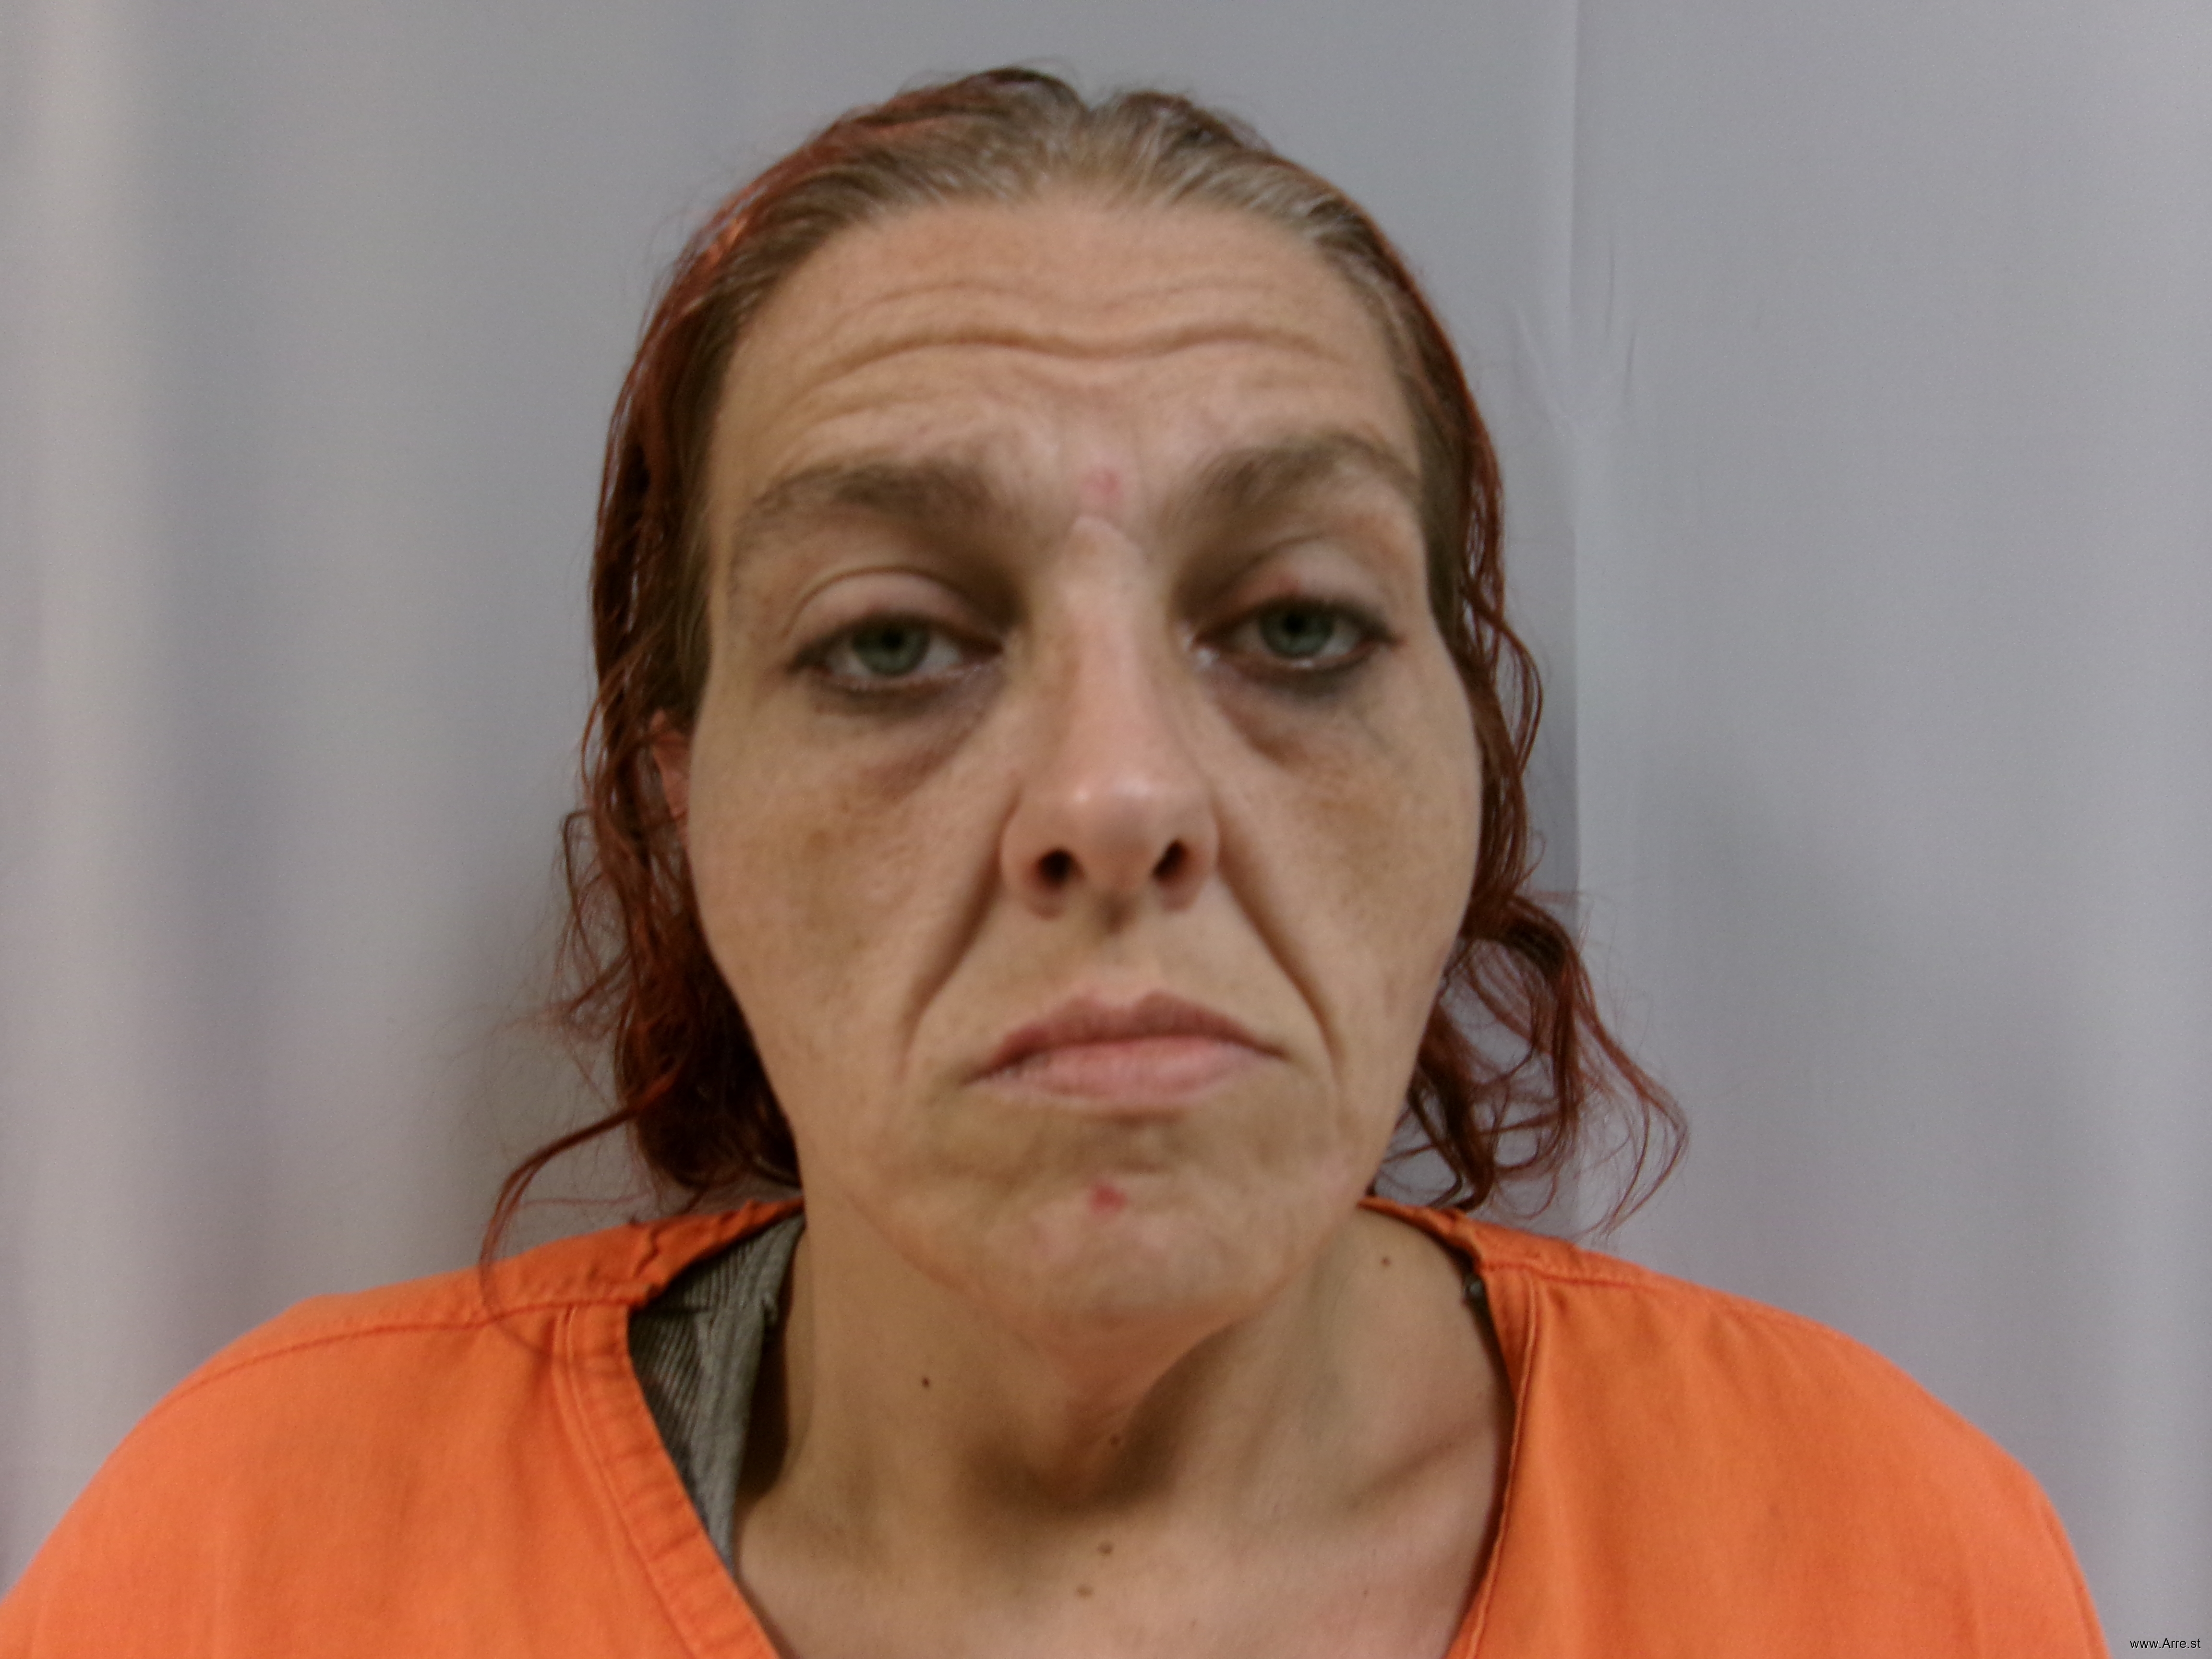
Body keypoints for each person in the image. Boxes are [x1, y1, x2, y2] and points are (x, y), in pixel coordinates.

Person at [0, 68, 2104, 1658]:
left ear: (1474, 768)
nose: (1116, 798)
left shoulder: (1884, 1567)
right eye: (890, 643)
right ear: (679, 812)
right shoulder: (247, 1570)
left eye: (1297, 626)